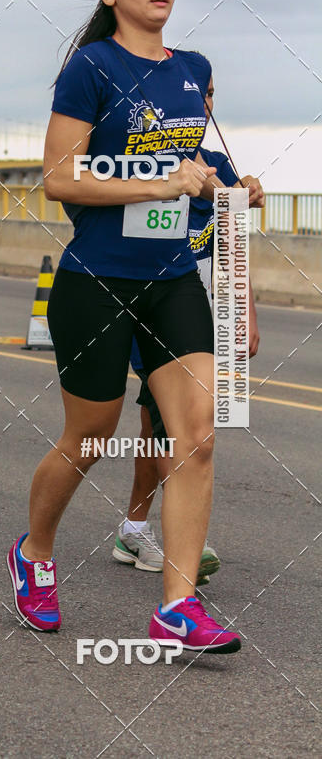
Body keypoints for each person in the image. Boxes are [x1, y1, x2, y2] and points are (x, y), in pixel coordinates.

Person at [7, 0, 254, 653]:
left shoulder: (193, 69)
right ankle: (35, 553)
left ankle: (177, 606)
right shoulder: (91, 67)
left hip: (172, 280)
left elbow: (198, 171)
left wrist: (229, 192)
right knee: (89, 438)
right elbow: (59, 179)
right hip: (96, 280)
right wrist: (159, 179)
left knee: (197, 437)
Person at [113, 74, 263, 584]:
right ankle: (179, 547)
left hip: (198, 313)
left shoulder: (220, 165)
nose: (204, 101)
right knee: (173, 422)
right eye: (195, 92)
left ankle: (134, 530)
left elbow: (231, 244)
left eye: (210, 93)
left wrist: (245, 313)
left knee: (157, 423)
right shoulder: (147, 162)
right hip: (150, 305)